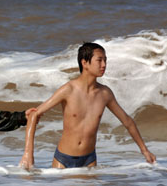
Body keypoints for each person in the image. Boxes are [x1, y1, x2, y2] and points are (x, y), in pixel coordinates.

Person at [19, 42, 156, 170]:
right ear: (85, 63)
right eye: (99, 60)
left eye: (105, 60)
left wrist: (145, 151)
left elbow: (127, 122)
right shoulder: (68, 90)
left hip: (89, 160)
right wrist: (28, 154)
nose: (104, 65)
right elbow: (34, 114)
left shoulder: (105, 93)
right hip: (63, 159)